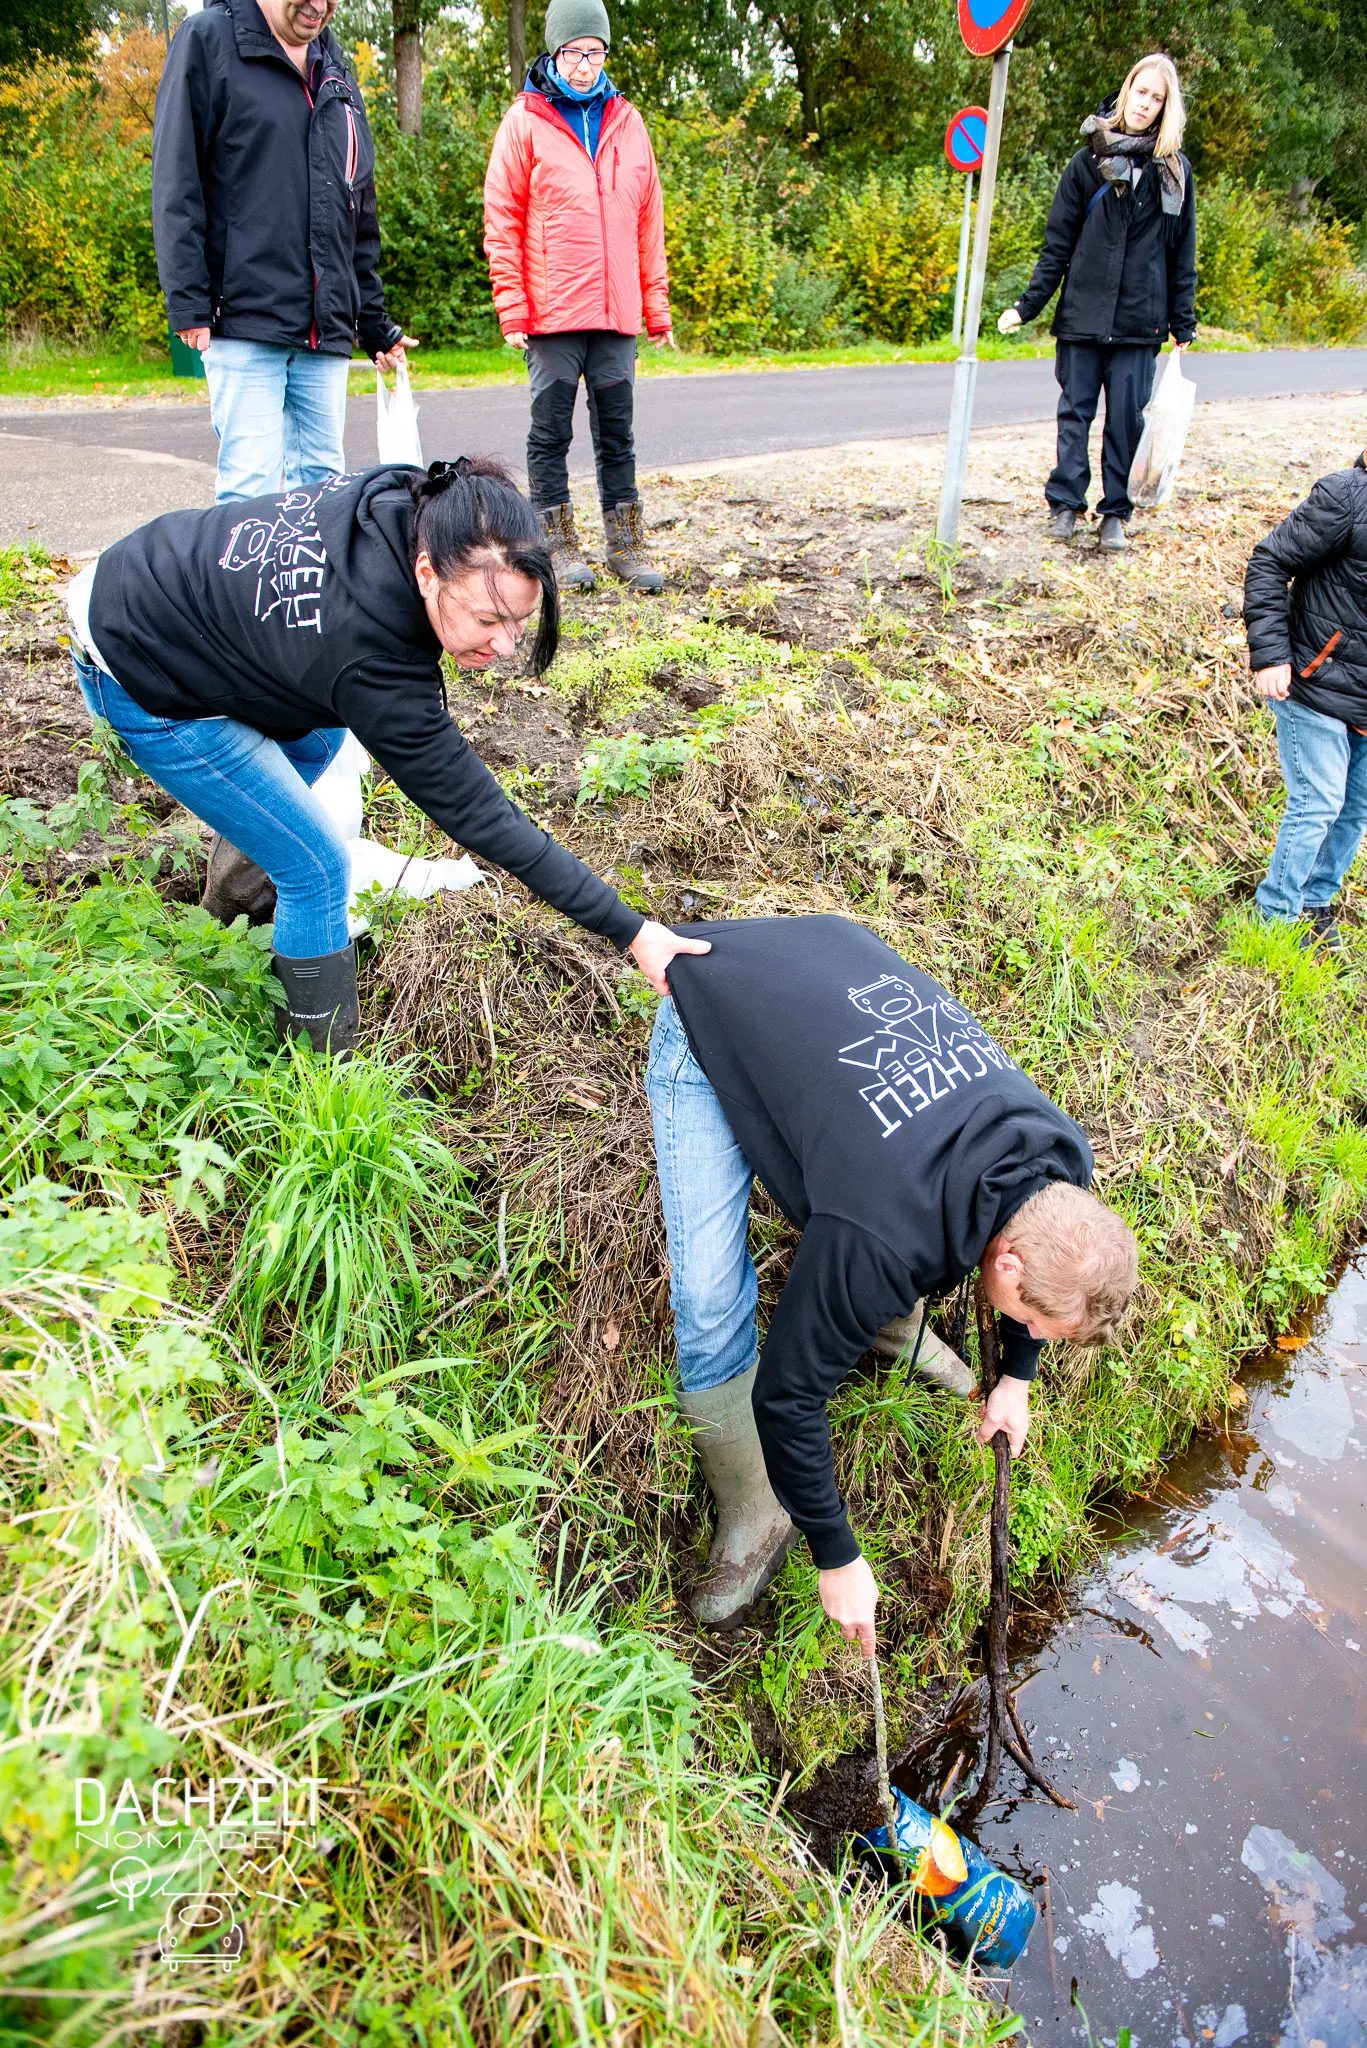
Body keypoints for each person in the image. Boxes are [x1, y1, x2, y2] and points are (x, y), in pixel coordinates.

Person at [63, 458, 707, 1051]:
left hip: (152, 575)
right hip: (139, 668)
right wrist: (634, 931)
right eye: (487, 619)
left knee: (317, 738)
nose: (506, 646)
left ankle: (228, 909)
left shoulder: (417, 498)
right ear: (426, 572)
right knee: (316, 867)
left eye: (518, 622)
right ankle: (319, 1073)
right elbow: (481, 817)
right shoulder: (371, 658)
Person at [647, 915, 1139, 1650]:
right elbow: (788, 1395)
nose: (1029, 1336)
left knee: (898, 1222)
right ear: (1006, 1264)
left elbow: (975, 1220)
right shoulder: (879, 1233)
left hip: (829, 969)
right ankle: (754, 1506)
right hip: (712, 1013)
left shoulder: (1058, 1161)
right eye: (1034, 1327)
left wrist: (1016, 1379)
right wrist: (836, 1555)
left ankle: (883, 1323)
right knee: (710, 1294)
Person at [152, 0, 418, 504]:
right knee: (249, 489)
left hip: (326, 328)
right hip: (244, 319)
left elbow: (355, 204)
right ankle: (240, 587)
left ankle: (306, 587)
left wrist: (374, 322)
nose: (320, 6)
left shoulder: (333, 65)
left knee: (323, 490)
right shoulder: (206, 41)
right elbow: (176, 179)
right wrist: (187, 299)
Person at [483, 0, 674, 595]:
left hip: (617, 314)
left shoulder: (629, 121)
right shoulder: (525, 121)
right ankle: (555, 543)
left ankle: (626, 542)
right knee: (550, 434)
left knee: (618, 433)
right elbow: (503, 218)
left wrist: (656, 306)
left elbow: (649, 222)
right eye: (574, 53)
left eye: (595, 52)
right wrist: (512, 306)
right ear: (553, 53)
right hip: (552, 312)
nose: (586, 65)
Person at [998, 53, 1197, 554]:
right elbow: (1057, 245)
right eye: (1140, 91)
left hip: (1140, 322)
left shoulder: (1174, 171)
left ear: (1165, 108)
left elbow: (1182, 250)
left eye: (1157, 98)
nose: (1145, 104)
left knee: (1126, 423)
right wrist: (1028, 305)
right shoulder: (1087, 162)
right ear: (1126, 90)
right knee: (1075, 414)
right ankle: (1065, 504)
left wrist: (1183, 319)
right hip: (1083, 317)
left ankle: (1114, 513)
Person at [1244, 444, 1367, 952]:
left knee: (1354, 809)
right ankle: (1273, 919)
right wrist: (1271, 654)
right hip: (1312, 679)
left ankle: (1314, 906)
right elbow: (1269, 562)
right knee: (1318, 802)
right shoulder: (1345, 497)